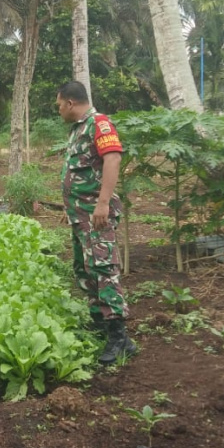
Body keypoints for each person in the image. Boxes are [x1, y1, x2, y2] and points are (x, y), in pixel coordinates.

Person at [57, 81, 136, 365]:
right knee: (85, 269)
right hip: (81, 216)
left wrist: (102, 203)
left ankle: (120, 337)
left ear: (69, 103)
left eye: (59, 105)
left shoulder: (99, 124)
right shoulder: (78, 129)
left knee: (103, 269)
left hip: (96, 216)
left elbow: (112, 159)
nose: (58, 111)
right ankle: (100, 322)